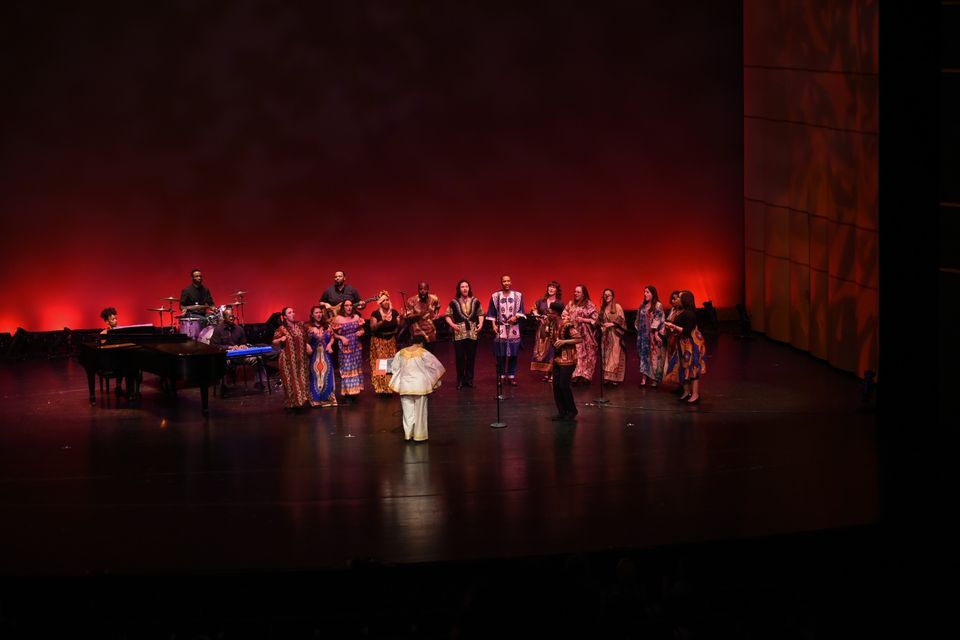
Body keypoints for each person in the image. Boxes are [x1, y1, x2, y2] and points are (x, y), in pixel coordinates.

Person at [389, 335, 446, 442]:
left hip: (405, 386)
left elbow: (394, 368)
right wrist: (433, 381)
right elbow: (437, 367)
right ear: (421, 343)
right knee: (420, 412)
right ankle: (419, 436)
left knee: (407, 412)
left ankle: (408, 434)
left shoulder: (401, 353)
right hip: (420, 386)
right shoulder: (423, 352)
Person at [663, 291, 707, 404]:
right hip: (682, 343)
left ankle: (695, 394)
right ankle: (686, 392)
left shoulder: (689, 313)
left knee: (692, 368)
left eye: (680, 297)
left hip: (690, 344)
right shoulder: (681, 312)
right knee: (683, 367)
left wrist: (673, 326)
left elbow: (687, 331)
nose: (677, 298)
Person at [486, 274, 526, 386]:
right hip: (501, 327)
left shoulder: (518, 295)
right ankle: (501, 376)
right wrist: (493, 325)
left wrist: (516, 316)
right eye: (504, 281)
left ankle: (512, 376)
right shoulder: (495, 296)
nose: (506, 283)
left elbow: (521, 310)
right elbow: (492, 312)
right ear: (501, 283)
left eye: (508, 281)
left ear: (511, 282)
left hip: (513, 328)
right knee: (500, 353)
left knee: (513, 353)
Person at [444, 279, 484, 389]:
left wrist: (480, 323)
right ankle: (460, 380)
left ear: (469, 288)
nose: (465, 288)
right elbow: (447, 315)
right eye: (462, 287)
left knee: (471, 357)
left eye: (466, 286)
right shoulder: (454, 302)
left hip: (472, 333)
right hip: (459, 333)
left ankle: (469, 380)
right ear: (459, 289)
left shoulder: (475, 301)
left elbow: (480, 313)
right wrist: (452, 325)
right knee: (460, 358)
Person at [546, 301, 582, 422]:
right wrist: (543, 324)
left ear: (555, 313)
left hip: (568, 360)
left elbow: (578, 339)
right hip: (557, 360)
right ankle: (562, 412)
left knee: (563, 385)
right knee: (556, 386)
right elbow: (543, 335)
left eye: (549, 312)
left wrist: (564, 341)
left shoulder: (567, 325)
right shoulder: (551, 324)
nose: (548, 313)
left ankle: (572, 411)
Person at [272, 307, 310, 410]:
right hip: (288, 360)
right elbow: (274, 342)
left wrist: (308, 344)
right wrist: (280, 339)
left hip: (301, 358)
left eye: (293, 312)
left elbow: (308, 334)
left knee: (302, 379)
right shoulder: (281, 329)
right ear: (285, 316)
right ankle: (293, 403)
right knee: (291, 381)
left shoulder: (300, 325)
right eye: (290, 312)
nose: (293, 314)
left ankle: (302, 401)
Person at [563, 284, 598, 384]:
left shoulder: (588, 304)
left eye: (578, 292)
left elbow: (595, 319)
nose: (575, 293)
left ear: (583, 294)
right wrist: (567, 320)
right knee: (576, 354)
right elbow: (564, 314)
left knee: (587, 355)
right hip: (573, 333)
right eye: (575, 291)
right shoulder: (571, 304)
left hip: (586, 335)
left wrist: (583, 319)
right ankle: (576, 375)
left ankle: (585, 376)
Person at [331, 299, 365, 401]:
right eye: (346, 305)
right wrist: (341, 338)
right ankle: (347, 392)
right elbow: (332, 333)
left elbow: (361, 329)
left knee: (356, 367)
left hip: (356, 345)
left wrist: (361, 332)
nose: (349, 307)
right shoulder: (338, 319)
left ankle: (355, 391)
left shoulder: (356, 317)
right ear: (343, 307)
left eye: (350, 305)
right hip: (345, 345)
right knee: (347, 368)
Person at [530, 281, 562, 382]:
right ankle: (546, 373)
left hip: (554, 328)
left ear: (557, 290)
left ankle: (553, 374)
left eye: (553, 287)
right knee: (543, 350)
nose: (551, 289)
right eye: (550, 287)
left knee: (552, 350)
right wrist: (538, 316)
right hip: (543, 328)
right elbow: (534, 309)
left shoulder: (559, 302)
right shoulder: (542, 301)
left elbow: (563, 315)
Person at [368, 291, 399, 395]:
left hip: (390, 340)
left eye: (387, 300)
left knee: (389, 364)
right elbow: (372, 328)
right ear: (380, 303)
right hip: (379, 340)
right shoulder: (375, 314)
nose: (386, 302)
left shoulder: (394, 313)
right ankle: (381, 388)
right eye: (384, 300)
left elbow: (399, 326)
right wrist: (382, 321)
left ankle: (389, 387)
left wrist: (402, 319)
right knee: (382, 364)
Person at [306, 306, 337, 407]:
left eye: (320, 312)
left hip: (326, 355)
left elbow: (332, 337)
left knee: (326, 376)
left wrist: (330, 344)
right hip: (314, 356)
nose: (319, 314)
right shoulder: (308, 327)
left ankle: (328, 399)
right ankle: (316, 400)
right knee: (316, 377)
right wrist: (310, 337)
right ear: (312, 315)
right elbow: (305, 341)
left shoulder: (327, 325)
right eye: (316, 313)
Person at [635, 285, 666, 388]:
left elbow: (659, 320)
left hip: (652, 335)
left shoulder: (658, 305)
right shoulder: (642, 305)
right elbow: (638, 319)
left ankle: (654, 379)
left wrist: (656, 333)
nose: (645, 294)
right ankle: (644, 378)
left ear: (653, 293)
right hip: (643, 335)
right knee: (644, 357)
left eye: (647, 292)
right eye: (644, 292)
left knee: (654, 357)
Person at [599, 288, 627, 386]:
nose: (607, 296)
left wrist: (612, 324)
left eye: (609, 295)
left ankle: (614, 378)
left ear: (612, 296)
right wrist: (602, 326)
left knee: (614, 357)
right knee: (606, 356)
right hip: (605, 336)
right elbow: (600, 321)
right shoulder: (602, 308)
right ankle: (606, 377)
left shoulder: (617, 307)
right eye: (605, 295)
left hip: (615, 335)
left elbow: (621, 319)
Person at [403, 282, 441, 352]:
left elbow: (438, 305)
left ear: (428, 289)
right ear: (418, 290)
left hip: (431, 333)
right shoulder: (411, 300)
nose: (423, 291)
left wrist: (435, 314)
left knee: (430, 356)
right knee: (419, 357)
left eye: (425, 289)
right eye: (420, 289)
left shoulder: (433, 298)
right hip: (417, 333)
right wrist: (419, 314)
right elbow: (407, 317)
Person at [660, 291, 682, 388]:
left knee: (678, 360)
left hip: (679, 338)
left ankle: (681, 384)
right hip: (671, 338)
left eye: (676, 298)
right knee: (671, 359)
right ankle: (675, 383)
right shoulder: (673, 310)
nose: (673, 300)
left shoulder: (683, 311)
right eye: (672, 298)